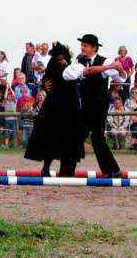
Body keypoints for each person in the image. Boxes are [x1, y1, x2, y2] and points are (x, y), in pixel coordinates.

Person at [62, 34, 125, 177]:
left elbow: (120, 76)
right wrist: (109, 67)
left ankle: (112, 170)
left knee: (97, 138)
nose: (82, 48)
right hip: (85, 105)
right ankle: (67, 172)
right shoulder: (79, 61)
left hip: (99, 105)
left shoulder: (105, 60)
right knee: (76, 137)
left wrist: (120, 69)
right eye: (82, 45)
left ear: (93, 48)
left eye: (85, 45)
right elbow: (86, 72)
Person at [24, 42, 86, 176]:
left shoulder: (54, 66)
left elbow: (48, 81)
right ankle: (60, 169)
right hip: (66, 109)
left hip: (54, 107)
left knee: (50, 138)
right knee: (63, 139)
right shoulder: (63, 66)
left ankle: (48, 168)